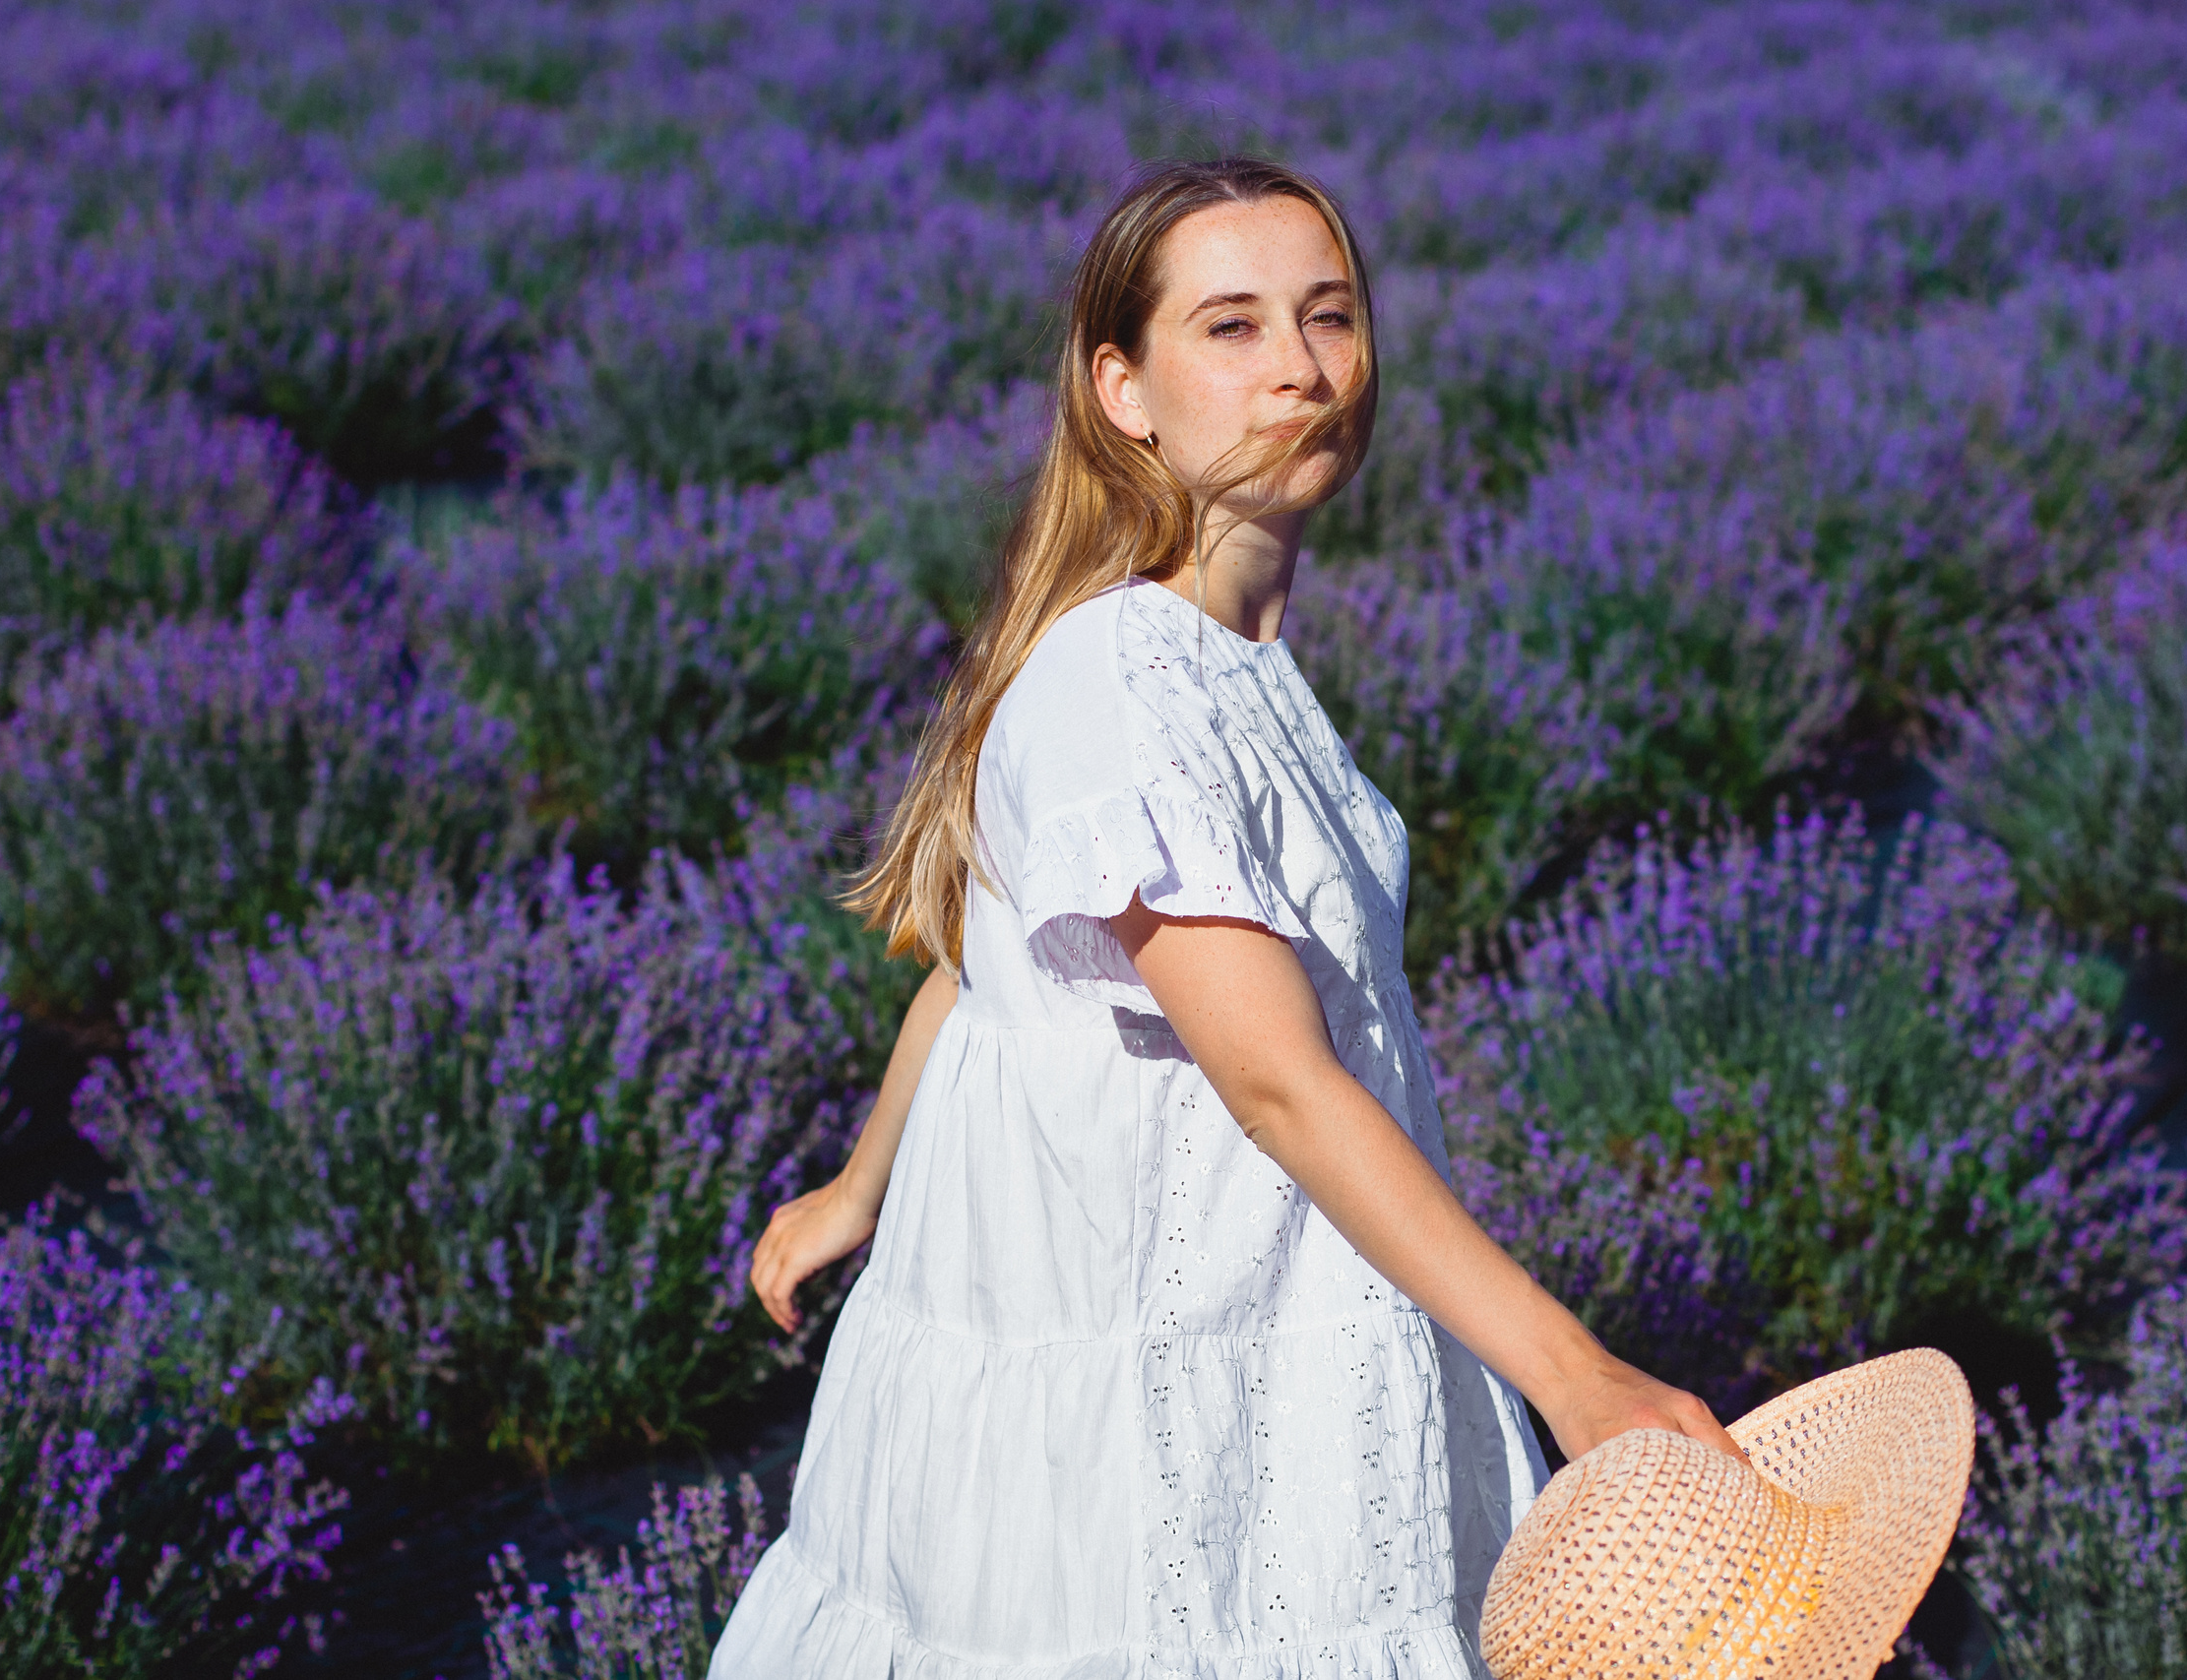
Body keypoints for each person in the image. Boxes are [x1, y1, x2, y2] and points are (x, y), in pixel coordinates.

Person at [710, 156, 1737, 1678]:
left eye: (1330, 315)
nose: (1302, 369)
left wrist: (858, 1187)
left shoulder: (1218, 653)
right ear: (1122, 390)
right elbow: (1277, 1085)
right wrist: (1574, 1376)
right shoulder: (1127, 681)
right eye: (1233, 327)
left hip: (1261, 1302)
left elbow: (992, 962)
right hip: (1163, 1355)